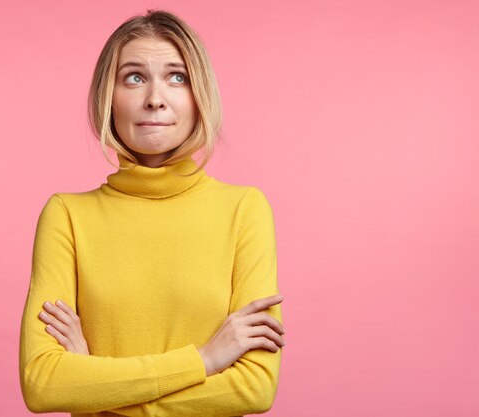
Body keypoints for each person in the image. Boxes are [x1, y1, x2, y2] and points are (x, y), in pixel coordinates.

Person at [19, 9, 285, 417]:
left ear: (201, 96)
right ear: (107, 96)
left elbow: (254, 389)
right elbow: (43, 385)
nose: (155, 98)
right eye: (134, 77)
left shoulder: (244, 210)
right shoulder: (67, 216)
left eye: (177, 77)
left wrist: (95, 383)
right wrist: (205, 361)